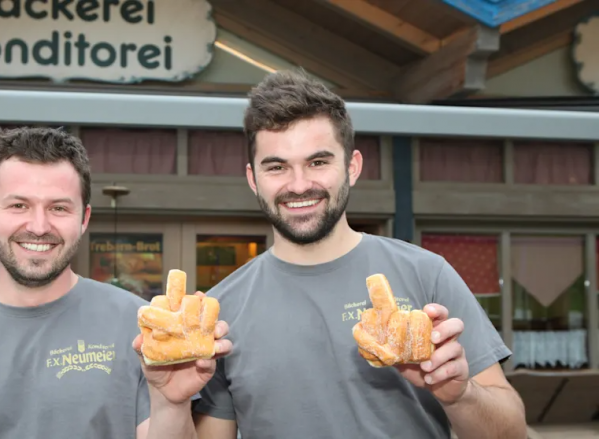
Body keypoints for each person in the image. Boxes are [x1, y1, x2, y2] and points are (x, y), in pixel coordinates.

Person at [190, 71, 528, 439]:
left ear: (352, 166)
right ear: (253, 179)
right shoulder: (219, 311)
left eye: (318, 162)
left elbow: (511, 432)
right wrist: (169, 402)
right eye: (277, 167)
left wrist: (460, 396)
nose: (300, 184)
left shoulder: (425, 273)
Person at [0, 127, 231, 439]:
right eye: (18, 205)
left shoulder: (141, 329)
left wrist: (171, 403)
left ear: (84, 218)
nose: (38, 226)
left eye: (58, 207)